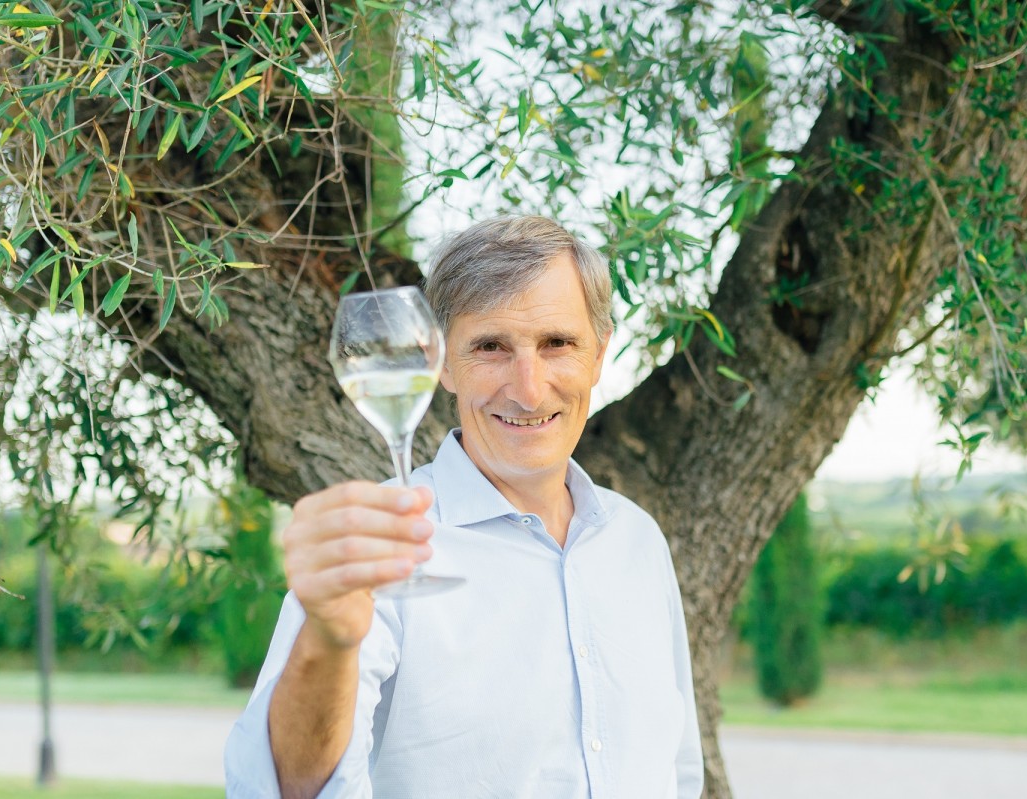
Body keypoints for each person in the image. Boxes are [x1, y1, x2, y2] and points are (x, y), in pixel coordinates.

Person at [224, 216, 704, 798]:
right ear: (442, 363)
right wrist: (328, 640)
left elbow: (677, 771)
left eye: (557, 343)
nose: (528, 389)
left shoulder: (637, 540)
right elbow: (281, 789)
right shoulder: (377, 549)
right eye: (490, 347)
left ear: (598, 355)